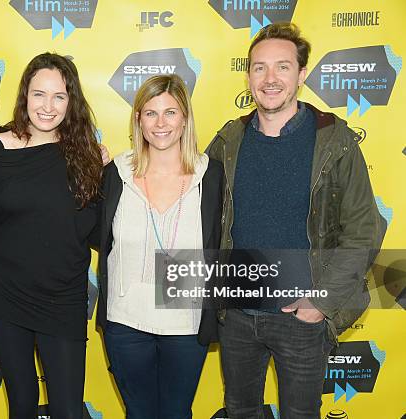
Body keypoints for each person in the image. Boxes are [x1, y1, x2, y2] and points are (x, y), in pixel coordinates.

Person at [205, 23, 387, 418]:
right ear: (249, 74)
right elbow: (187, 192)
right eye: (259, 68)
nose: (270, 79)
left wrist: (322, 301)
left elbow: (364, 229)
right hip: (236, 316)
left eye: (282, 67)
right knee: (239, 410)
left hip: (302, 319)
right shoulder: (228, 140)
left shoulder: (333, 140)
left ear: (301, 75)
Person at [0, 53, 106, 419]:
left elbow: (98, 228)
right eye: (39, 94)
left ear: (71, 101)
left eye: (59, 97)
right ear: (24, 96)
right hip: (4, 294)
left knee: (67, 408)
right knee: (22, 400)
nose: (47, 107)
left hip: (62, 297)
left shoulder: (87, 156)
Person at [95, 75, 223, 419]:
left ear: (185, 118)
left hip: (185, 321)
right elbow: (93, 234)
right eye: (150, 113)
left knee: (177, 413)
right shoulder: (115, 173)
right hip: (125, 320)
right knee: (138, 412)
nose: (161, 123)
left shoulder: (211, 175)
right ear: (138, 119)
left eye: (170, 112)